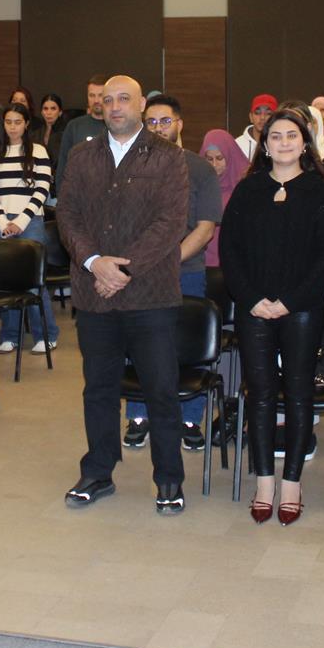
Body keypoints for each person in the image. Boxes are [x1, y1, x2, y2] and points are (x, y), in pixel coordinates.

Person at [56, 75, 190, 515]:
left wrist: (122, 269)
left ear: (141, 104)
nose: (114, 107)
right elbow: (67, 215)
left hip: (150, 296)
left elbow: (170, 223)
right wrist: (95, 262)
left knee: (160, 390)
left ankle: (168, 477)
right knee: (98, 389)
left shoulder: (168, 157)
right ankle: (98, 471)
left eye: (124, 99)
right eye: (108, 100)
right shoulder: (82, 156)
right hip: (94, 294)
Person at [220, 105, 324, 525]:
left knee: (299, 393)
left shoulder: (320, 190)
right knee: (261, 393)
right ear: (265, 146)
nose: (284, 142)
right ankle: (265, 481)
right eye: (275, 136)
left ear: (305, 143)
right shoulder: (248, 189)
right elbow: (230, 250)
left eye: (292, 135)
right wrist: (251, 298)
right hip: (253, 307)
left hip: (301, 308)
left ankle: (292, 482)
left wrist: (290, 301)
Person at [122, 95, 222, 452]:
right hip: (141, 273)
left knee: (187, 346)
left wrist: (169, 259)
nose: (158, 128)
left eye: (165, 121)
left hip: (186, 271)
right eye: (151, 122)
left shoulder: (200, 169)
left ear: (179, 123)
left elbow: (205, 228)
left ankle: (190, 418)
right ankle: (139, 415)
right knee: (139, 344)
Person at [0, 102, 57, 353]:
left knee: (34, 282)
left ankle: (45, 334)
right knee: (6, 281)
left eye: (17, 122)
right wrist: (3, 221)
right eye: (8, 122)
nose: (13, 127)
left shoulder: (38, 151)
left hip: (30, 222)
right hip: (1, 224)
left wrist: (21, 221)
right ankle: (10, 335)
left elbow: (42, 188)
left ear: (26, 124)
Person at [200, 129, 249, 270]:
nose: (214, 164)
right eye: (209, 159)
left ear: (230, 156)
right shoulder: (198, 184)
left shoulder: (246, 187)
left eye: (219, 158)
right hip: (201, 264)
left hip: (235, 265)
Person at [52, 75, 108, 190]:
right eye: (92, 95)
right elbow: (63, 164)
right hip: (78, 194)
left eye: (100, 95)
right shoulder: (74, 126)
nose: (96, 100)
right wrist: (61, 195)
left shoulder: (117, 126)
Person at [237, 93, 279, 160]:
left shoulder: (282, 144)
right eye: (257, 113)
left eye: (268, 113)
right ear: (251, 117)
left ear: (276, 118)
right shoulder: (237, 145)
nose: (262, 117)